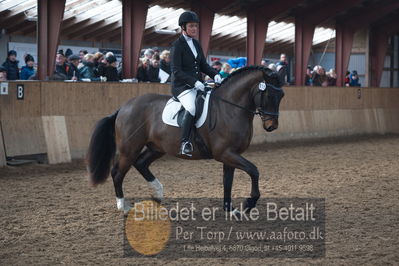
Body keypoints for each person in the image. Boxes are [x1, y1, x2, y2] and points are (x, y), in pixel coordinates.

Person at [170, 11, 222, 157]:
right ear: (183, 27)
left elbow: (203, 65)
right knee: (192, 107)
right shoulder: (177, 46)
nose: (194, 29)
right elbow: (176, 71)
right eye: (191, 26)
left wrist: (216, 74)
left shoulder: (196, 44)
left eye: (196, 26)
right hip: (181, 87)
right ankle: (184, 142)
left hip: (196, 85)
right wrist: (195, 82)